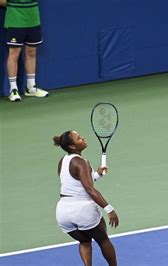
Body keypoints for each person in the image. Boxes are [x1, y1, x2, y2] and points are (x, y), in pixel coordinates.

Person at [53, 130, 118, 266]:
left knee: (84, 241)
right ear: (72, 146)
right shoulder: (81, 162)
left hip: (63, 213)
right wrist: (109, 209)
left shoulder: (62, 161)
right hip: (82, 210)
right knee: (103, 240)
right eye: (79, 138)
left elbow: (75, 181)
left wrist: (97, 174)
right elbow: (89, 189)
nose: (83, 138)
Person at [2, 0, 48, 102]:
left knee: (31, 52)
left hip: (33, 19)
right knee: (14, 53)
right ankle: (13, 89)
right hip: (15, 20)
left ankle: (31, 87)